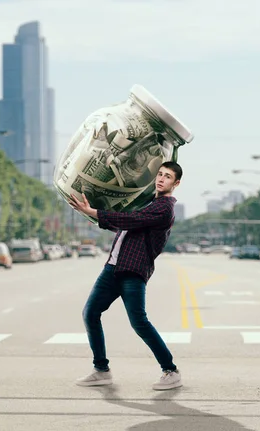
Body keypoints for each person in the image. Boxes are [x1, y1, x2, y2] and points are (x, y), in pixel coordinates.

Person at [68, 161, 183, 391]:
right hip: (112, 267)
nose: (161, 179)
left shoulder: (164, 207)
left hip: (133, 270)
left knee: (139, 322)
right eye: (159, 174)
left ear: (176, 183)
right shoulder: (147, 201)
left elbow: (131, 221)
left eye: (167, 176)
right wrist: (93, 214)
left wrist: (94, 212)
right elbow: (124, 226)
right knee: (90, 313)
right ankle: (101, 370)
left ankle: (171, 370)